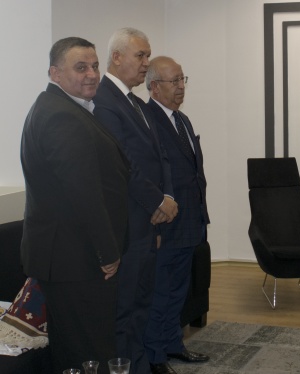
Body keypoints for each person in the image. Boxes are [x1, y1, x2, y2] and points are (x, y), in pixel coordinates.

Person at [20, 37, 130, 373]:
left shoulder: (65, 108)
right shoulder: (61, 116)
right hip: (77, 258)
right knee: (89, 352)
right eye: (81, 67)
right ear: (55, 73)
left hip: (72, 256)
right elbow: (84, 194)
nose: (92, 74)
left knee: (77, 349)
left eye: (94, 66)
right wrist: (107, 253)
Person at [93, 28, 178, 374]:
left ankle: (139, 365)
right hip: (127, 224)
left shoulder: (136, 103)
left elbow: (161, 156)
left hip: (147, 222)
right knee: (125, 309)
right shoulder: (104, 102)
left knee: (142, 303)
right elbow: (123, 162)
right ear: (116, 57)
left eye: (147, 55)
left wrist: (167, 196)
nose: (146, 63)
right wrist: (158, 201)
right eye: (140, 55)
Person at [144, 56, 210, 374]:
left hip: (189, 221)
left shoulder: (181, 119)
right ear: (154, 87)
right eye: (174, 81)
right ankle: (155, 356)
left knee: (178, 291)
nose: (181, 86)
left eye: (183, 79)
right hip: (165, 224)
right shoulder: (147, 120)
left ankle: (173, 344)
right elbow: (149, 175)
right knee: (161, 293)